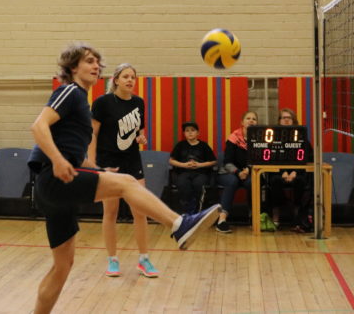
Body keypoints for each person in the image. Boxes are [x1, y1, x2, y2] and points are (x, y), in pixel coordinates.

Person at [28, 43, 220, 314]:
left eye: (98, 62)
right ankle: (180, 225)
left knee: (62, 266)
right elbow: (38, 126)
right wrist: (58, 160)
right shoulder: (70, 91)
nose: (96, 66)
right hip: (54, 179)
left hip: (58, 188)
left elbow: (75, 154)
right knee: (128, 182)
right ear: (73, 67)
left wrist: (98, 171)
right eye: (89, 61)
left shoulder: (82, 104)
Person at [88, 62, 158, 278]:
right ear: (116, 80)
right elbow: (92, 134)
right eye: (126, 76)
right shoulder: (102, 103)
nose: (130, 80)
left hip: (132, 161)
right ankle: (113, 259)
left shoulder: (138, 102)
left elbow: (138, 131)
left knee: (140, 211)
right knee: (111, 212)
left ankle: (144, 259)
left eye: (133, 77)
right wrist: (93, 165)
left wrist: (141, 138)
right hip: (109, 162)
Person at [262, 108, 313, 232]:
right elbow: (270, 158)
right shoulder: (272, 138)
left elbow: (309, 157)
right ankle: (276, 214)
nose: (286, 120)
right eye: (283, 118)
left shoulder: (302, 137)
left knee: (301, 181)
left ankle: (297, 215)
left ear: (293, 121)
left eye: (289, 118)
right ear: (279, 121)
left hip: (297, 172)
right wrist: (282, 172)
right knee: (275, 181)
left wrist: (295, 172)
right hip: (278, 173)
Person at [213, 110, 258, 234]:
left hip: (249, 173)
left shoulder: (259, 140)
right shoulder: (233, 138)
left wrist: (248, 170)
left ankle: (254, 217)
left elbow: (259, 160)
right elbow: (227, 162)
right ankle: (222, 220)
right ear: (242, 122)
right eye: (248, 118)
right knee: (232, 181)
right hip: (229, 172)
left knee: (252, 182)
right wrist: (238, 172)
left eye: (254, 119)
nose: (251, 121)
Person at [169, 121, 216, 214]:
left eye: (193, 130)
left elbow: (213, 161)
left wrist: (199, 165)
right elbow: (171, 160)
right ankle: (186, 212)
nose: (190, 132)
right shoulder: (180, 145)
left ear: (198, 133)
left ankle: (198, 211)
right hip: (184, 172)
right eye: (187, 131)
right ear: (184, 133)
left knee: (198, 184)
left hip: (200, 173)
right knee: (183, 184)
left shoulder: (204, 145)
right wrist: (184, 165)